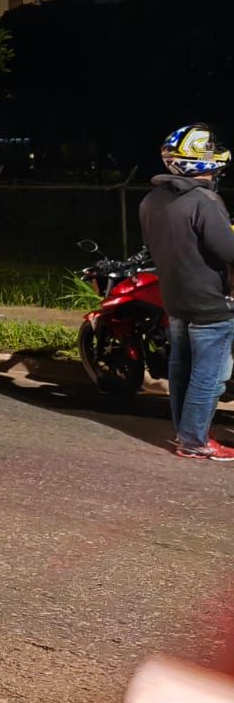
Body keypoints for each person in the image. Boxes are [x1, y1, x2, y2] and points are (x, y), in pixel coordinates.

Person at [139, 123, 234, 460]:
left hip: (175, 299)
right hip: (210, 303)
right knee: (210, 376)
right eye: (209, 148)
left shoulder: (151, 200)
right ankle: (195, 441)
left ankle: (185, 432)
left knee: (181, 369)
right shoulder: (205, 201)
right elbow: (227, 251)